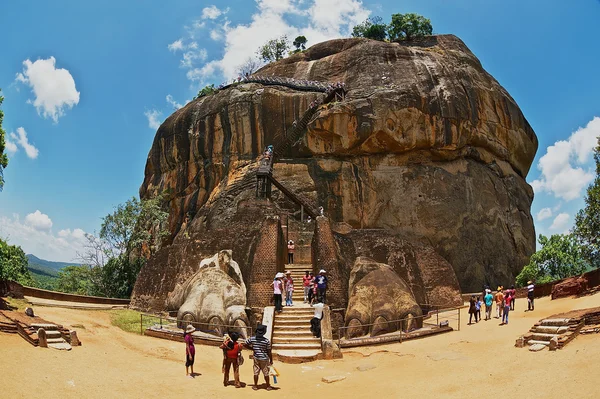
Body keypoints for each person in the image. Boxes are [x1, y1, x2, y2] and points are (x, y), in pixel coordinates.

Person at [245, 324, 273, 391]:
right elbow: (269, 352)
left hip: (256, 358)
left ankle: (255, 386)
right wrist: (271, 360)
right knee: (266, 372)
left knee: (256, 372)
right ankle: (268, 386)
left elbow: (245, 344)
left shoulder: (252, 339)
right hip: (264, 358)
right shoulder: (266, 341)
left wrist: (252, 349)